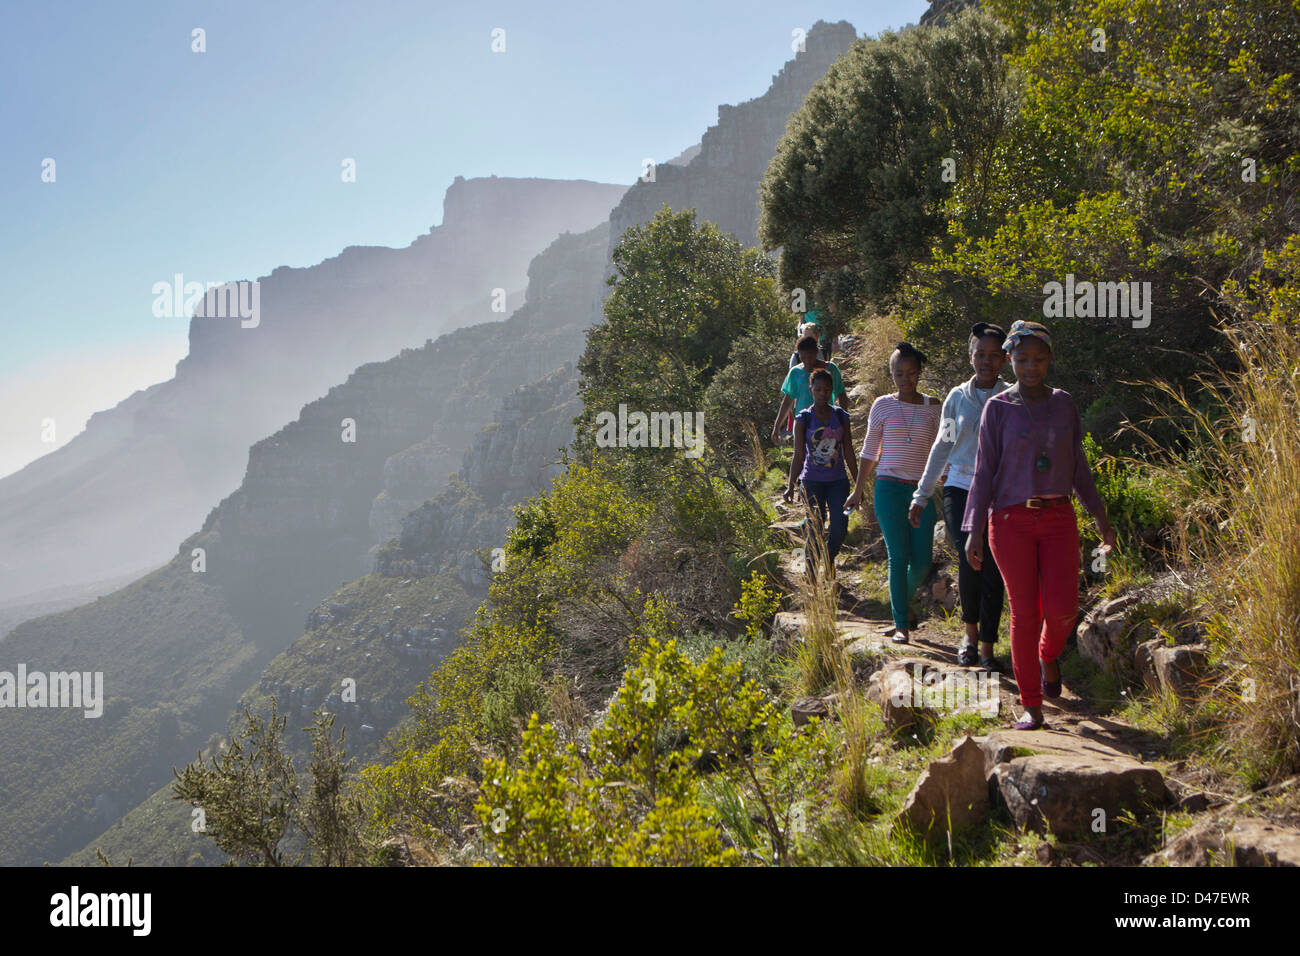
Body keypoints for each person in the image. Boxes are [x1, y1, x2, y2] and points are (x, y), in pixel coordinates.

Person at [962, 320, 1117, 730]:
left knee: (1063, 610)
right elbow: (983, 473)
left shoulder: (1063, 403)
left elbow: (1078, 466)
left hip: (1058, 517)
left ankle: (1049, 656)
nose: (1031, 366)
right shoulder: (997, 409)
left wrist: (1100, 517)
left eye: (1039, 358)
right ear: (1010, 360)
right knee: (1025, 613)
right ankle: (1031, 705)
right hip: (1010, 521)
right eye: (1022, 359)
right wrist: (973, 529)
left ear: (1050, 359)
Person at [909, 323, 1009, 670]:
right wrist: (921, 495)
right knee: (970, 559)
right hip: (960, 489)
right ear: (970, 356)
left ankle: (987, 648)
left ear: (1005, 359)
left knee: (995, 568)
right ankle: (968, 634)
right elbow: (943, 445)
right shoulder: (957, 398)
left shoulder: (1012, 396)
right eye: (980, 354)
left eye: (995, 355)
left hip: (999, 496)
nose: (987, 361)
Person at [845, 342, 941, 643]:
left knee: (922, 561)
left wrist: (948, 486)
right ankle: (900, 623)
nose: (906, 380)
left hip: (921, 492)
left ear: (919, 373)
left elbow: (942, 452)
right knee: (898, 555)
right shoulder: (882, 405)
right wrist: (858, 489)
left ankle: (902, 604)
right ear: (891, 374)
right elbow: (870, 450)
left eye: (911, 373)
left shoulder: (934, 407)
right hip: (888, 489)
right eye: (899, 374)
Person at [782, 368, 856, 576]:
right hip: (811, 481)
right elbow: (798, 456)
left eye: (826, 389)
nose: (823, 394)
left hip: (838, 481)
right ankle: (811, 574)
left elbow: (848, 450)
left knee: (840, 527)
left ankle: (830, 558)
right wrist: (790, 485)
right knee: (815, 526)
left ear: (832, 390)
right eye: (818, 390)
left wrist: (858, 483)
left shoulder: (841, 417)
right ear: (811, 390)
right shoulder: (803, 419)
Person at [771, 335, 848, 445]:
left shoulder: (831, 369)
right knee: (801, 455)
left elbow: (841, 394)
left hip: (826, 421)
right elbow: (787, 401)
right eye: (803, 357)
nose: (807, 361)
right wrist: (777, 426)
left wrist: (843, 420)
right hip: (802, 424)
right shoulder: (795, 373)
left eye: (810, 356)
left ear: (816, 352)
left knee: (826, 454)